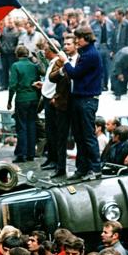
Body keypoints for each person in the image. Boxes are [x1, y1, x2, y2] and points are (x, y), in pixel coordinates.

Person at [57, 25, 103, 180]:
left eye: (78, 38)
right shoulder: (86, 53)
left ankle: (95, 168)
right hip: (79, 97)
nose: (76, 41)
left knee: (87, 135)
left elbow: (75, 74)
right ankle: (82, 168)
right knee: (79, 135)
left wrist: (65, 62)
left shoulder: (90, 55)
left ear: (86, 39)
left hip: (87, 99)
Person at [7, 45, 42, 163]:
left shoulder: (15, 66)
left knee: (21, 126)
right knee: (31, 124)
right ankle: (31, 153)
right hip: (34, 98)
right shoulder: (34, 66)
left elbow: (12, 85)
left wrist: (9, 101)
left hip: (22, 99)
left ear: (17, 54)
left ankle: (21, 154)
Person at [48, 35, 75, 177]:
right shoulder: (60, 60)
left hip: (77, 102)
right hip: (62, 103)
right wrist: (61, 70)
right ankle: (61, 167)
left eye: (69, 44)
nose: (65, 47)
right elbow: (51, 77)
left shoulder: (80, 59)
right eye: (65, 44)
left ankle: (82, 168)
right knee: (61, 137)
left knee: (79, 136)